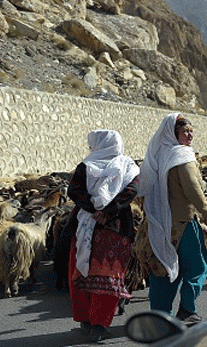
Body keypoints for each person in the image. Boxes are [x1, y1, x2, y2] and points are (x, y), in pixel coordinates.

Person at [138, 113, 207, 325]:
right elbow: (192, 188)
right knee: (197, 266)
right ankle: (187, 309)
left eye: (191, 131)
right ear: (174, 134)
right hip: (183, 222)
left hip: (159, 221)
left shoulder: (159, 154)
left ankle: (160, 315)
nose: (189, 135)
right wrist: (206, 211)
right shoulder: (182, 156)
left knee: (163, 266)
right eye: (184, 131)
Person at [66, 130, 140, 342]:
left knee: (83, 271)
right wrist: (107, 212)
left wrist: (92, 208)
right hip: (115, 227)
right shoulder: (129, 166)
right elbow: (132, 191)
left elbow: (74, 191)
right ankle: (98, 323)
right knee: (110, 275)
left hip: (85, 226)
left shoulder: (86, 165)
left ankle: (87, 320)